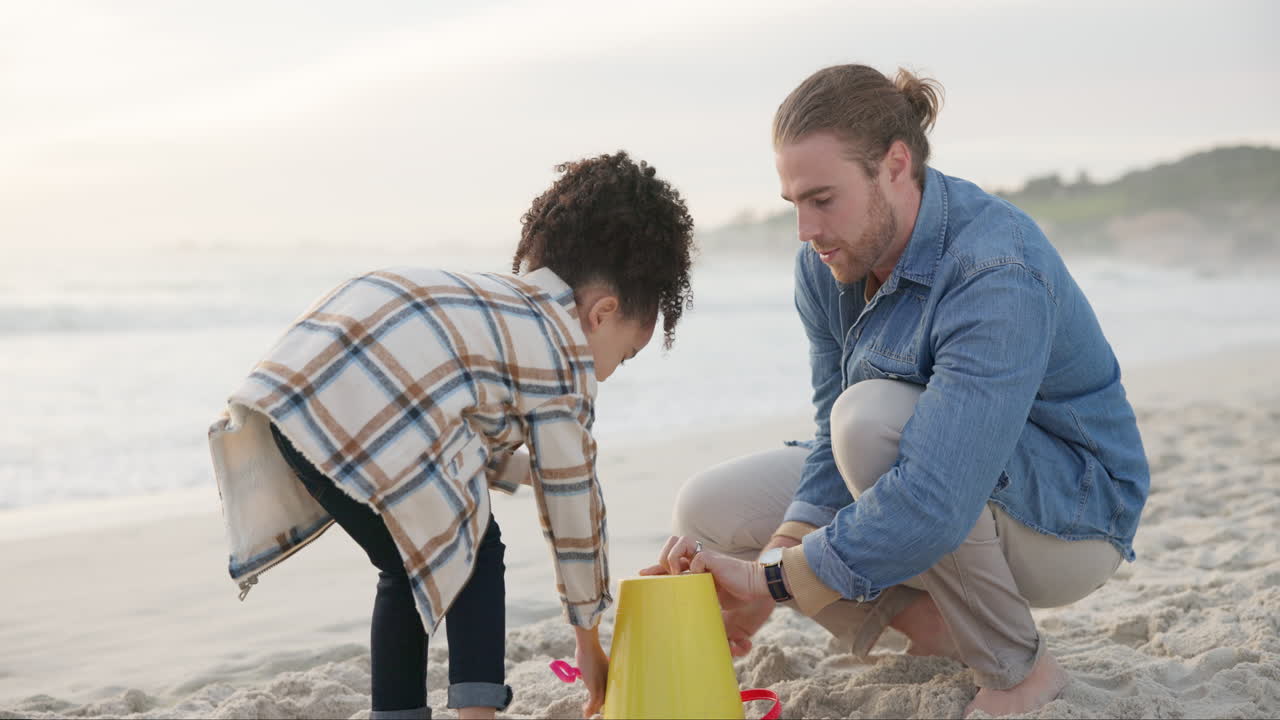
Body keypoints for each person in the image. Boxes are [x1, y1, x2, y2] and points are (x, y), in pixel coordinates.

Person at [644, 64, 1149, 718]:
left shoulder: (994, 268)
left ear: (895, 165)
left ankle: (1018, 671)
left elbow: (938, 493)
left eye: (823, 199)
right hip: (948, 488)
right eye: (794, 203)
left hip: (1071, 519)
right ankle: (932, 623)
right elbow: (829, 437)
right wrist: (770, 566)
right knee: (710, 506)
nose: (805, 229)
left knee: (873, 422)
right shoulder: (828, 264)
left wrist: (775, 580)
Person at [208, 151, 695, 720]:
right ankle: (478, 715)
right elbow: (573, 507)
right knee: (477, 545)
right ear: (602, 313)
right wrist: (588, 641)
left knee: (407, 558)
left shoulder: (498, 306)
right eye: (626, 355)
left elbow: (460, 425)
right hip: (369, 396)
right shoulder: (564, 358)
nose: (610, 372)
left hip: (292, 397)